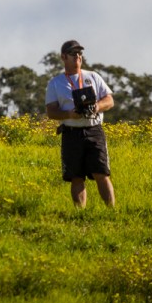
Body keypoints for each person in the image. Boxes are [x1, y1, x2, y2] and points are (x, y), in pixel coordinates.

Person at [45, 40, 116, 208]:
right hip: (71, 132)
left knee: (101, 173)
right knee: (76, 176)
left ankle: (112, 211)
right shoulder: (55, 83)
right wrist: (70, 114)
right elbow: (51, 112)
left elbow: (110, 100)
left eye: (79, 53)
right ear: (63, 57)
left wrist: (97, 107)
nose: (77, 56)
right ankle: (80, 214)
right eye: (73, 53)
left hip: (94, 130)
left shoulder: (93, 76)